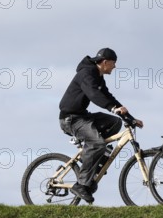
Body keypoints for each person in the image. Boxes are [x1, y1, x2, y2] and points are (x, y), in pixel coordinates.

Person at [59, 47, 143, 203]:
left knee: (115, 122)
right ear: (105, 62)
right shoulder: (86, 74)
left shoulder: (98, 76)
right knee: (98, 144)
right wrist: (112, 108)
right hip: (70, 119)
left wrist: (130, 118)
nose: (115, 67)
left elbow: (109, 97)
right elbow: (94, 95)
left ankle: (95, 157)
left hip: (83, 117)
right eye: (113, 63)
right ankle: (81, 185)